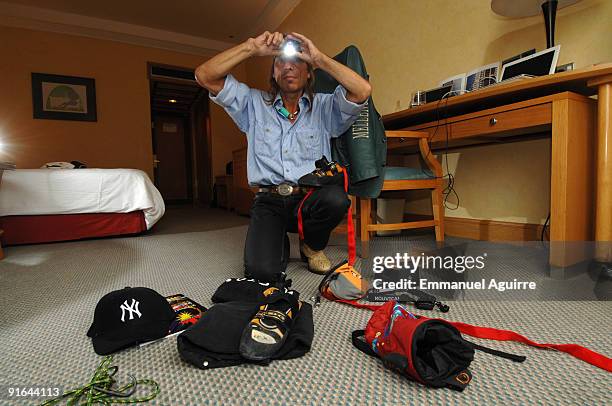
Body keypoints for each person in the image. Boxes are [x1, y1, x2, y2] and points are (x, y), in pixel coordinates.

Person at [195, 31, 371, 284]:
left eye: (298, 61)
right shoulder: (252, 103)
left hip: (310, 198)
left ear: (309, 72)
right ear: (275, 73)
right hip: (269, 200)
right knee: (261, 273)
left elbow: (362, 90)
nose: (289, 66)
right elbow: (204, 75)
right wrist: (251, 48)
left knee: (336, 199)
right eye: (280, 62)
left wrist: (319, 58)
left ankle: (311, 244)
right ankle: (277, 241)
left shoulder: (324, 107)